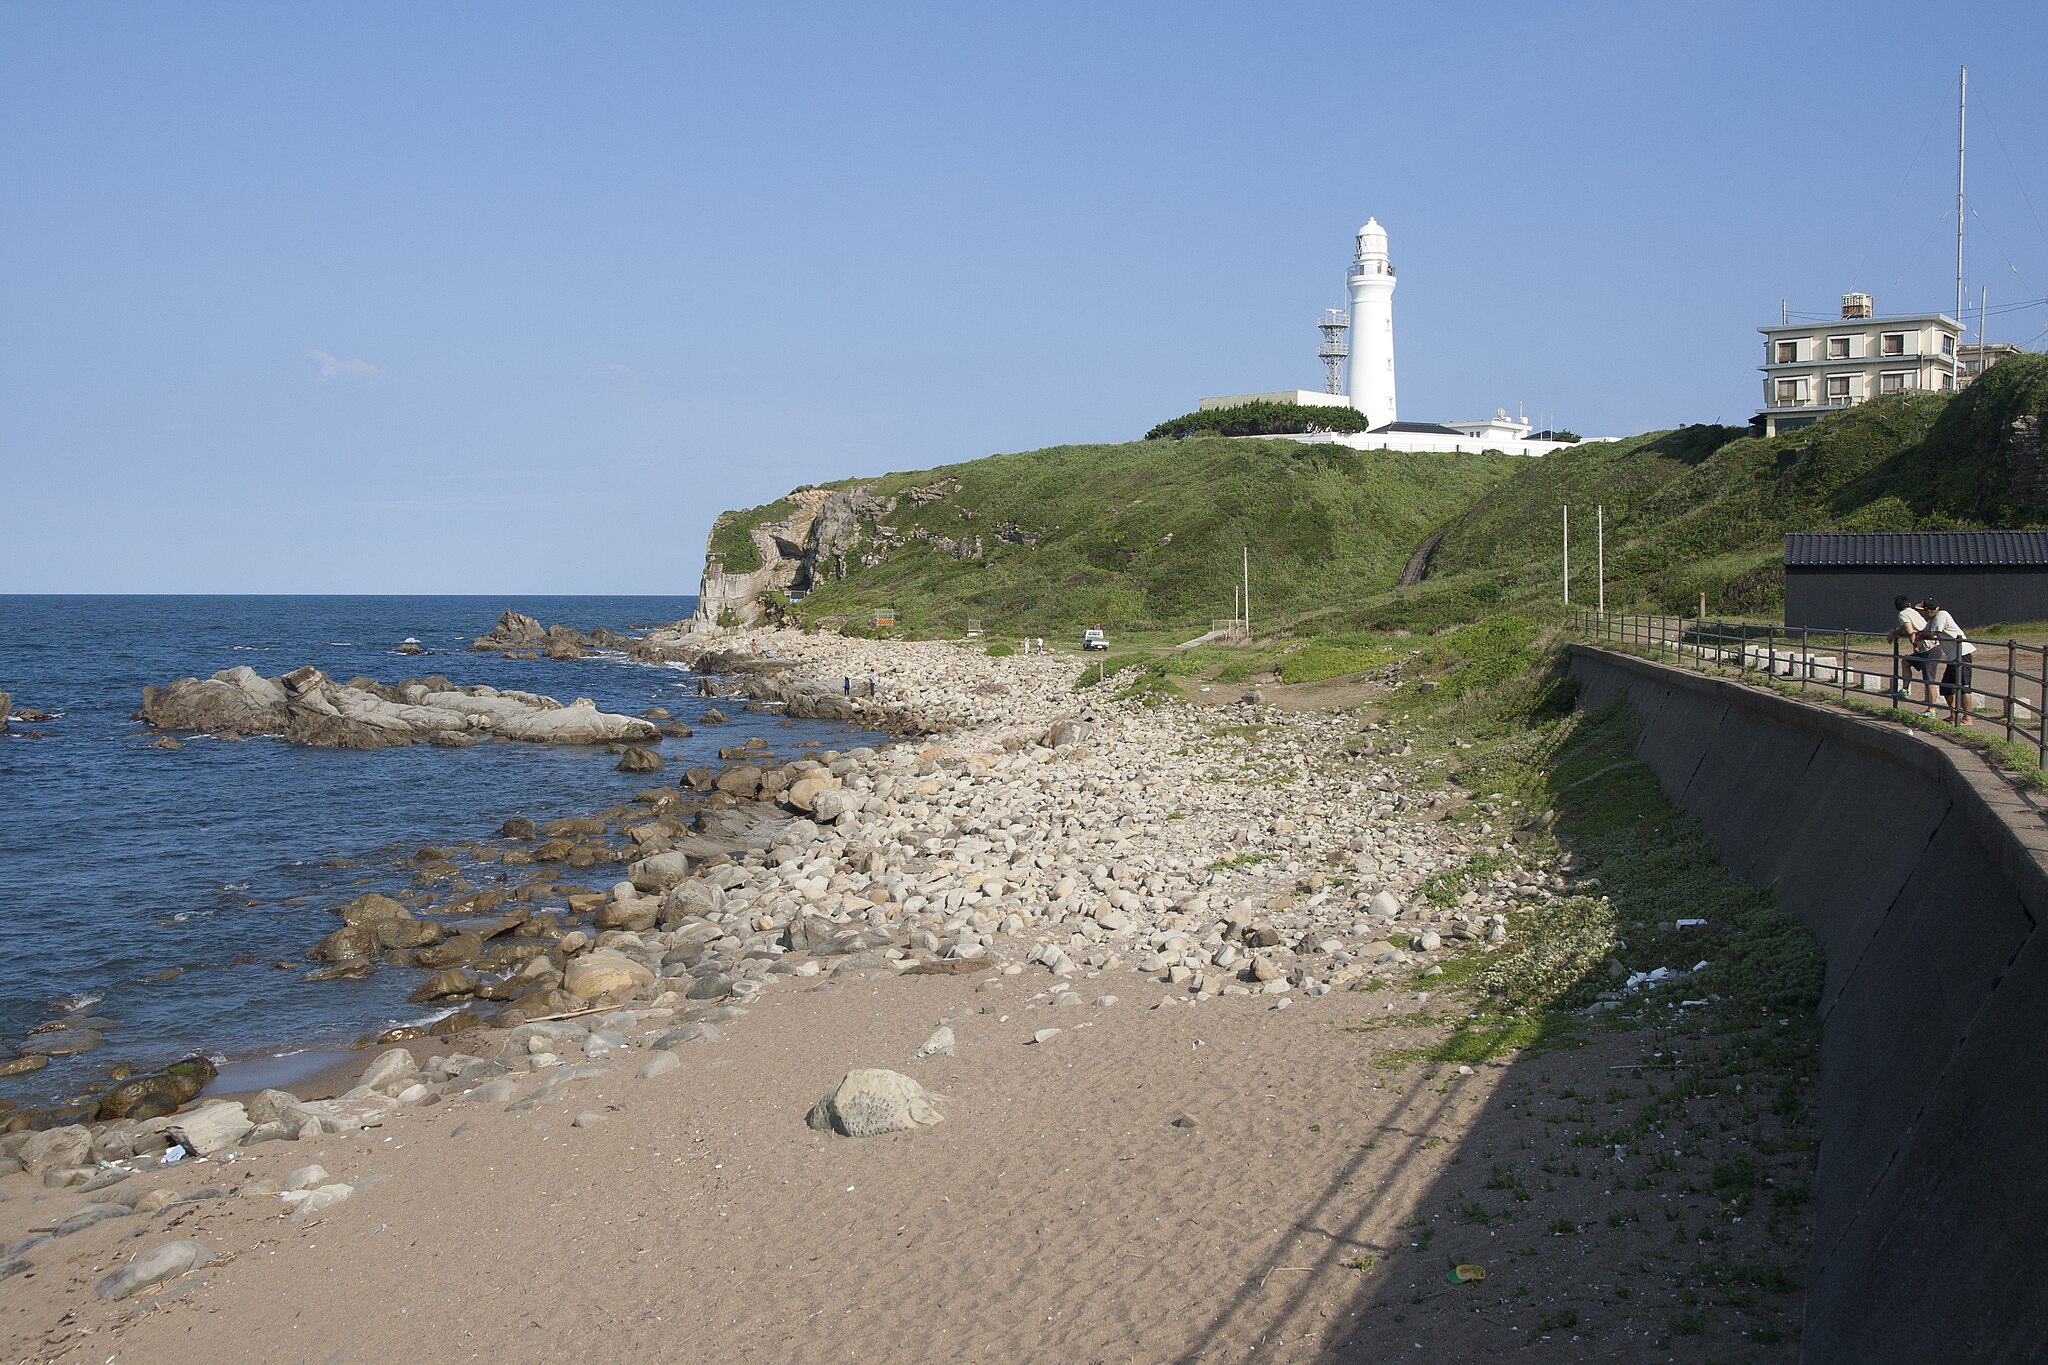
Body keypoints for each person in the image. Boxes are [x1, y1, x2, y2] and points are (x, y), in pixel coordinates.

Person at [1919, 599, 1977, 725]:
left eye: (1923, 611)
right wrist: (1918, 634)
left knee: (1964, 687)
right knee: (1946, 687)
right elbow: (1925, 632)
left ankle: (1968, 718)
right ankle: (1954, 714)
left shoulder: (1942, 615)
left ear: (1929, 611)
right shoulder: (1932, 620)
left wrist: (1919, 635)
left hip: (1962, 653)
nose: (1922, 614)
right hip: (1952, 656)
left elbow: (1933, 633)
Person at [1887, 595, 1938, 709]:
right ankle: (1905, 689)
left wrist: (1907, 635)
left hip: (1929, 648)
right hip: (1925, 647)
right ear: (1909, 604)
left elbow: (1909, 631)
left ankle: (1932, 709)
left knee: (1929, 681)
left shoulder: (1902, 614)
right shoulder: (1913, 612)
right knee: (1906, 662)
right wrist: (1896, 632)